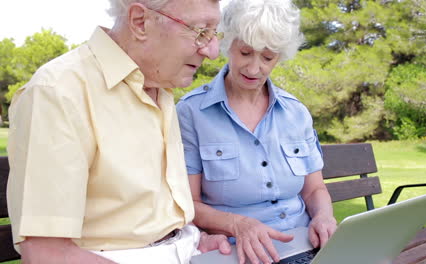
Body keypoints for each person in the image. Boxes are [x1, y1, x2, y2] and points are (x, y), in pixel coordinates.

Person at [6, 0, 231, 263]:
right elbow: (47, 255)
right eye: (200, 31)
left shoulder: (159, 85)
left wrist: (189, 241)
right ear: (140, 22)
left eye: (213, 33)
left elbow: (137, 220)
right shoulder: (57, 92)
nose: (213, 51)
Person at [176, 0, 337, 263]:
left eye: (267, 57)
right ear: (229, 44)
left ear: (280, 56)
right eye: (245, 52)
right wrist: (239, 224)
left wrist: (323, 217)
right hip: (238, 251)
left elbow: (314, 189)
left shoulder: (296, 112)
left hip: (306, 243)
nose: (254, 68)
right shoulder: (191, 112)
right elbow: (187, 205)